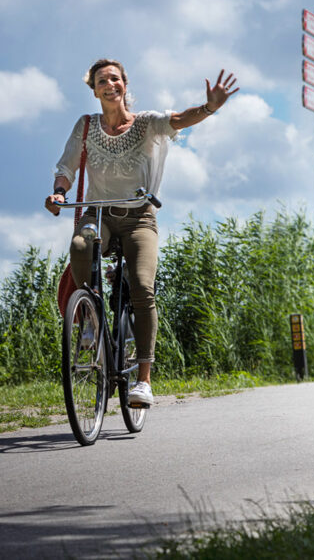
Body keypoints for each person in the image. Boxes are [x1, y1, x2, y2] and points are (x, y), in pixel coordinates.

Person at [45, 58, 238, 407]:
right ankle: (88, 317)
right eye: (102, 80)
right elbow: (66, 167)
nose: (110, 84)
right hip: (98, 213)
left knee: (142, 288)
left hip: (139, 218)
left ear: (124, 84)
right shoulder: (86, 126)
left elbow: (179, 119)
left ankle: (144, 381)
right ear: (94, 89)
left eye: (115, 78)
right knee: (79, 243)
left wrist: (209, 107)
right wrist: (59, 192)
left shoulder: (146, 123)